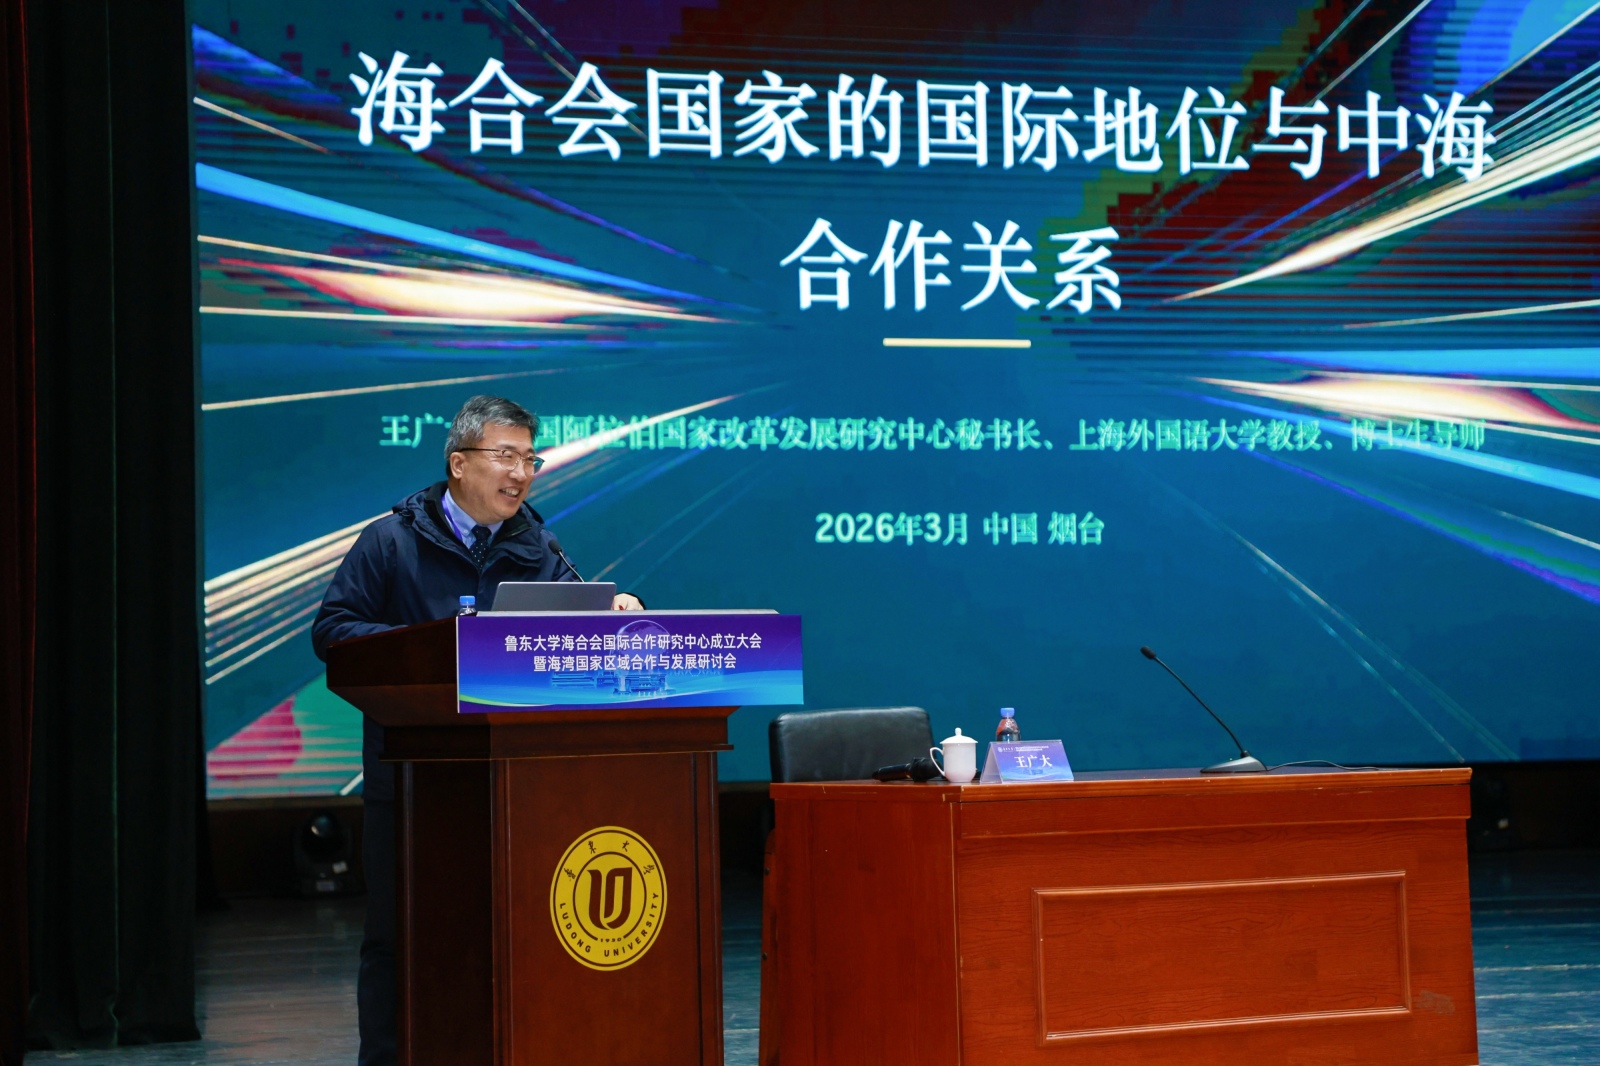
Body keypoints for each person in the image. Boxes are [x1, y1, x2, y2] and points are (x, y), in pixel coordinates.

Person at [311, 395, 641, 1066]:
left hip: (520, 788)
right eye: (505, 456)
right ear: (459, 464)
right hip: (411, 781)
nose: (520, 474)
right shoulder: (391, 542)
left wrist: (615, 611)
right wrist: (433, 648)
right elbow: (334, 632)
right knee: (399, 939)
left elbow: (566, 634)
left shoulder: (538, 546)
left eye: (530, 459)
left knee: (509, 938)